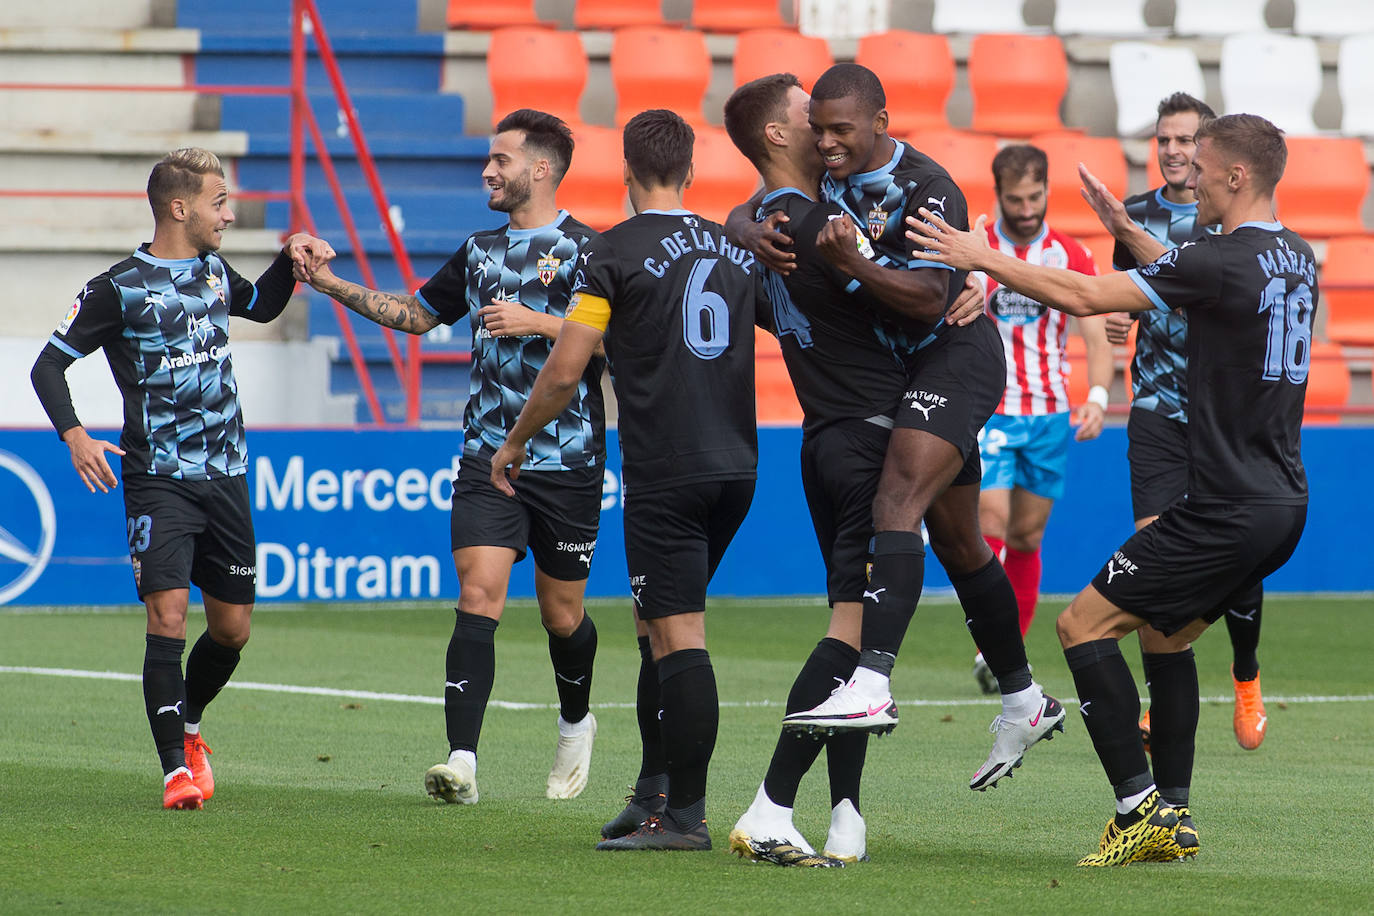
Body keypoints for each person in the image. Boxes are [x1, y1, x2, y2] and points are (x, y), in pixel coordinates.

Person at [907, 113, 1312, 866]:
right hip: (1281, 504)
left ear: (1237, 177)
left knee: (1079, 627)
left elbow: (1088, 297)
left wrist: (979, 255)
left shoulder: (1223, 259)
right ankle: (1175, 814)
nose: (1189, 179)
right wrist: (1128, 227)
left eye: (1204, 166)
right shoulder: (1294, 256)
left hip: (1224, 507)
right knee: (1165, 635)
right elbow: (1197, 280)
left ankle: (1136, 810)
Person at [728, 65, 1066, 795]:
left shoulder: (927, 187)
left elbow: (926, 299)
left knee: (896, 504)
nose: (826, 142)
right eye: (816, 130)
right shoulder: (826, 176)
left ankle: (873, 679)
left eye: (840, 130)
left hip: (955, 357)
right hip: (910, 376)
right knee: (961, 541)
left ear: (880, 121)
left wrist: (851, 261)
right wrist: (741, 226)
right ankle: (1024, 699)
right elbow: (760, 196)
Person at [303, 109, 603, 805]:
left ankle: (575, 720)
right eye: (488, 160)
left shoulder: (592, 251)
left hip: (570, 459)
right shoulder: (478, 252)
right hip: (489, 456)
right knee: (478, 596)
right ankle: (461, 761)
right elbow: (414, 315)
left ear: (542, 169)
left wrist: (542, 323)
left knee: (563, 616)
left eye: (501, 160)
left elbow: (630, 344)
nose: (487, 171)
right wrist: (328, 284)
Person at [490, 109, 762, 852]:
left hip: (667, 470)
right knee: (652, 628)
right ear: (692, 172)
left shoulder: (610, 253)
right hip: (738, 464)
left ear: (627, 173)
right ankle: (652, 791)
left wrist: (515, 440)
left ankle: (686, 818)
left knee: (677, 637)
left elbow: (566, 369)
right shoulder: (736, 250)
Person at [29, 147, 332, 809]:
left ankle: (189, 726)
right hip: (157, 479)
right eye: (219, 202)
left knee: (232, 630)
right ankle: (175, 772)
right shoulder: (117, 288)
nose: (228, 213)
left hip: (226, 477)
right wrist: (76, 435)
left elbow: (264, 305)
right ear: (179, 206)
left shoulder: (215, 272)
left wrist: (291, 258)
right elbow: (47, 367)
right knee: (167, 617)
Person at [1103, 92, 1269, 755]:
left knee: (1236, 556)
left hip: (1221, 417)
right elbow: (1126, 297)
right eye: (1164, 140)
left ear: (1208, 152)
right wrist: (1119, 322)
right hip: (1157, 411)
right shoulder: (1134, 215)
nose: (1173, 152)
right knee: (1156, 554)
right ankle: (1164, 696)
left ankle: (1247, 669)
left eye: (1185, 141)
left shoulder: (1226, 221)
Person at [971, 144, 1114, 694]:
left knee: (1027, 538)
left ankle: (1005, 647)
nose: (1026, 208)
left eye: (1034, 197)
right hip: (994, 408)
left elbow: (1095, 333)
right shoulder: (981, 251)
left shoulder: (1071, 255)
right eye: (1015, 199)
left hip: (1051, 413)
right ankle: (992, 642)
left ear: (1046, 191)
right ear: (999, 195)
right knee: (991, 522)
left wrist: (1098, 394)